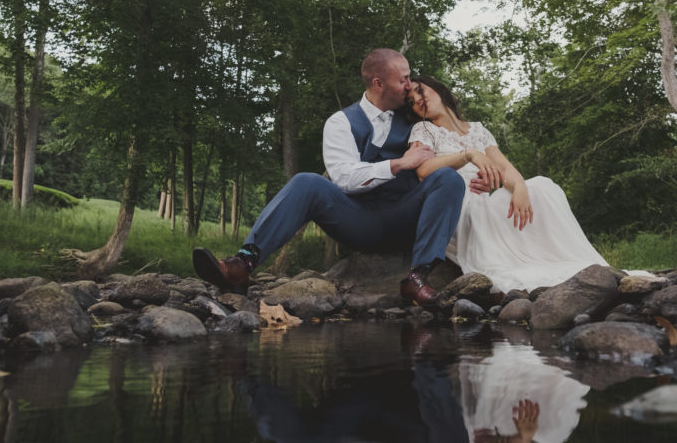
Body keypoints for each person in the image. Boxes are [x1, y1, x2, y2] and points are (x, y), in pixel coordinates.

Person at [193, 49, 469, 306]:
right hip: (359, 221)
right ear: (378, 84)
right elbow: (344, 178)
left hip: (406, 216)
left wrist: (478, 174)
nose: (410, 86)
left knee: (447, 178)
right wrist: (398, 163)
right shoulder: (340, 122)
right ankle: (242, 266)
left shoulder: (416, 117)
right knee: (307, 182)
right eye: (404, 79)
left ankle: (417, 278)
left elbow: (455, 140)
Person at [405, 75, 623, 294]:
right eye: (411, 100)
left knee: (542, 187)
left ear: (437, 89)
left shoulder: (478, 129)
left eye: (419, 90)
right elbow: (424, 171)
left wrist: (519, 188)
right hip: (459, 207)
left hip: (485, 199)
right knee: (504, 206)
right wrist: (467, 155)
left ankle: (571, 263)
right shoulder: (423, 130)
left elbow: (505, 168)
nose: (417, 99)